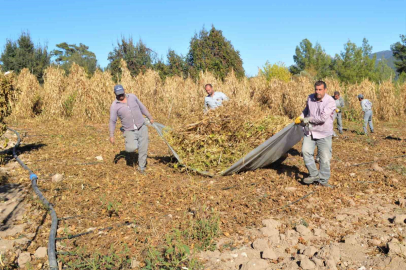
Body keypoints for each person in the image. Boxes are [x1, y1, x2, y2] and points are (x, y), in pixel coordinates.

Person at [295, 81, 336, 188]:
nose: (317, 92)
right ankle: (314, 174)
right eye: (316, 89)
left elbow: (322, 119)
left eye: (320, 90)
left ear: (325, 90)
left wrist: (307, 119)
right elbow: (306, 110)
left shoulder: (330, 101)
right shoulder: (310, 98)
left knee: (325, 158)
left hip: (324, 133)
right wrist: (301, 116)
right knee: (305, 152)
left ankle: (323, 180)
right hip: (310, 131)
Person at [109, 85, 154, 174]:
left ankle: (141, 168)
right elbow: (112, 121)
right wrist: (111, 135)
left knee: (143, 148)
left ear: (124, 91)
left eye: (122, 93)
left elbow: (142, 107)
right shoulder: (114, 106)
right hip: (128, 129)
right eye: (118, 94)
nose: (121, 96)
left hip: (141, 126)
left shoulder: (132, 97)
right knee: (131, 148)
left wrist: (149, 117)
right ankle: (129, 137)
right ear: (114, 94)